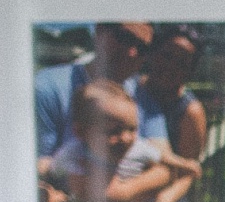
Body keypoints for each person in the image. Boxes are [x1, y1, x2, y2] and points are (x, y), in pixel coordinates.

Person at [46, 79, 200, 202]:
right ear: (81, 132)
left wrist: (185, 164)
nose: (126, 138)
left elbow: (162, 158)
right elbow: (51, 169)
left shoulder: (137, 148)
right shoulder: (74, 152)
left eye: (132, 129)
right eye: (114, 131)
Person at [34, 20, 152, 180]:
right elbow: (38, 170)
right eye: (125, 38)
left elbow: (164, 166)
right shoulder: (47, 87)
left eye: (143, 48)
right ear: (99, 32)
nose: (132, 52)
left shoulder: (142, 92)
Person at [139, 26, 209, 202]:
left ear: (190, 70)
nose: (171, 66)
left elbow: (189, 171)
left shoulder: (190, 112)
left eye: (182, 62)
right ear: (154, 53)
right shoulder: (133, 89)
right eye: (167, 55)